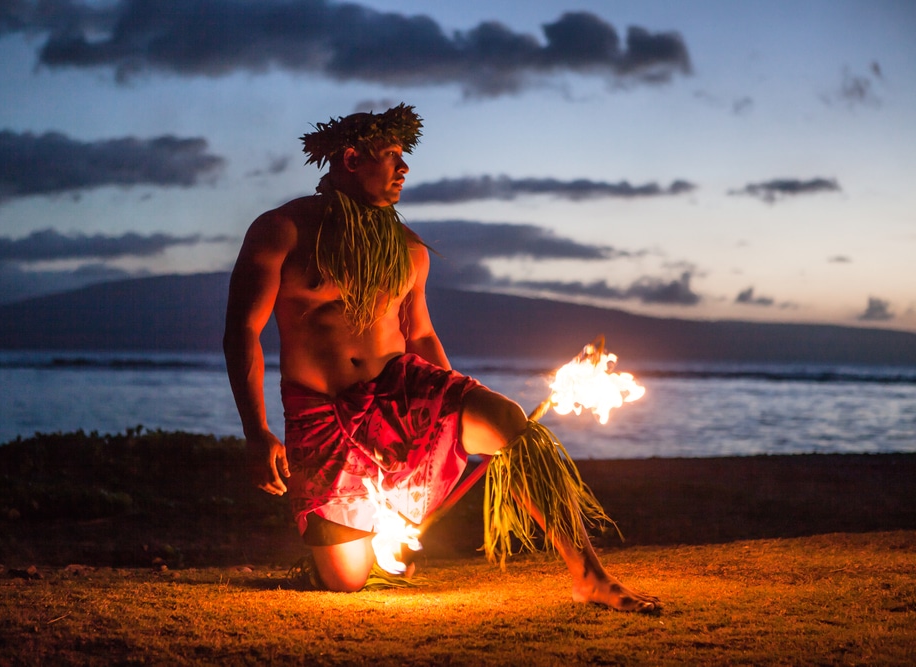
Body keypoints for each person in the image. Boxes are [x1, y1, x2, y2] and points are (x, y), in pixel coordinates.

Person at [224, 104, 658, 612]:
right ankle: (351, 552)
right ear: (350, 158)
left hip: (400, 390)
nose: (404, 169)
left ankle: (590, 575)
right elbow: (242, 332)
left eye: (404, 157)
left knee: (507, 421)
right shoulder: (283, 230)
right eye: (391, 156)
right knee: (346, 580)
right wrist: (256, 431)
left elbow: (421, 334)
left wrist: (448, 421)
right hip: (323, 410)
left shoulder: (408, 248)